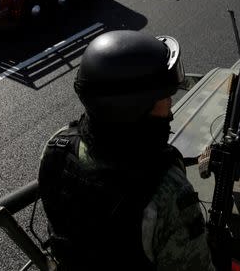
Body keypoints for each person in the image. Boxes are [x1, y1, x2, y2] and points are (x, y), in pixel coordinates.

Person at [38, 31, 214, 271]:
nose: (170, 101)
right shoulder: (167, 192)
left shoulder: (57, 147)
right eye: (164, 95)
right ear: (134, 108)